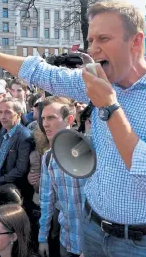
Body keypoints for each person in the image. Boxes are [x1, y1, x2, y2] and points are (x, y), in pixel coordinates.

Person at [0, 0, 146, 256]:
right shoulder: (96, 81)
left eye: (104, 39)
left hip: (139, 242)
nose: (94, 50)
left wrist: (108, 106)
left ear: (136, 41)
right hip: (91, 229)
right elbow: (44, 74)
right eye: (91, 40)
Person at [38, 96, 86, 257]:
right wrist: (42, 238)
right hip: (67, 242)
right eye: (43, 118)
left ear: (69, 119)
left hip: (94, 244)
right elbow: (46, 201)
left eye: (51, 117)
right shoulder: (48, 157)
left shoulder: (90, 151)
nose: (45, 123)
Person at [0, 98, 34, 202]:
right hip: (0, 186)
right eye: (1, 112)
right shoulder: (3, 131)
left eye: (7, 112)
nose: (2, 117)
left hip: (15, 193)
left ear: (19, 114)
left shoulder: (25, 136)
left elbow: (20, 170)